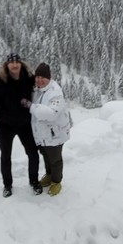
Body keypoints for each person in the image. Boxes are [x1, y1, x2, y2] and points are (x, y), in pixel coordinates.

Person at [0, 53, 42, 197]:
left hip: (24, 124)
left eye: (17, 62)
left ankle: (34, 181)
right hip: (6, 125)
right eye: (11, 62)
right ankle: (7, 185)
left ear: (21, 63)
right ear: (7, 65)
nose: (14, 65)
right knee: (6, 156)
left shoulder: (29, 79)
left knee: (33, 153)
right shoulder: (0, 82)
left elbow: (43, 88)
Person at [21, 62, 71, 196]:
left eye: (43, 77)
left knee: (55, 160)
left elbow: (51, 113)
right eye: (38, 77)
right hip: (43, 135)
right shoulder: (37, 90)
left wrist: (31, 106)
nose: (40, 80)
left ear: (49, 78)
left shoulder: (55, 92)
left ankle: (56, 181)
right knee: (46, 156)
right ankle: (49, 175)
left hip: (56, 133)